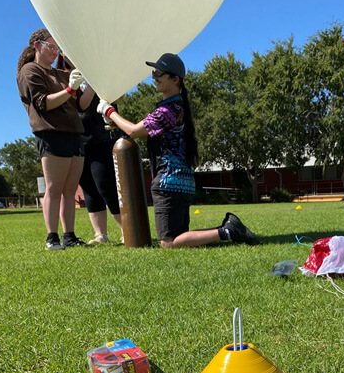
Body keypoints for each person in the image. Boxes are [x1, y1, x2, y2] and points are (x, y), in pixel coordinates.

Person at [97, 53, 259, 248]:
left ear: (175, 79)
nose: (154, 77)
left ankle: (228, 231)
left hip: (168, 183)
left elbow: (134, 130)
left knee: (168, 242)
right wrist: (113, 121)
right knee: (180, 236)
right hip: (182, 183)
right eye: (153, 72)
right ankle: (228, 228)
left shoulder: (167, 111)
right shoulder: (177, 108)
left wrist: (109, 111)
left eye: (159, 73)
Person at [17, 29, 91, 249]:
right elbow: (43, 103)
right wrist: (70, 88)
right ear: (36, 46)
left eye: (56, 47)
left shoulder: (61, 73)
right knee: (54, 188)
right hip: (51, 132)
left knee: (70, 189)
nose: (55, 51)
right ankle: (52, 238)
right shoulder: (30, 71)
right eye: (51, 46)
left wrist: (94, 84)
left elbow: (81, 105)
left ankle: (69, 236)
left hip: (75, 132)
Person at [77, 84, 123, 244]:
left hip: (104, 137)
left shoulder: (100, 72)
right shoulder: (65, 75)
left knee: (106, 184)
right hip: (80, 139)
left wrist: (93, 83)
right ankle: (100, 235)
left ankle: (127, 230)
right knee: (88, 187)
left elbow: (119, 97)